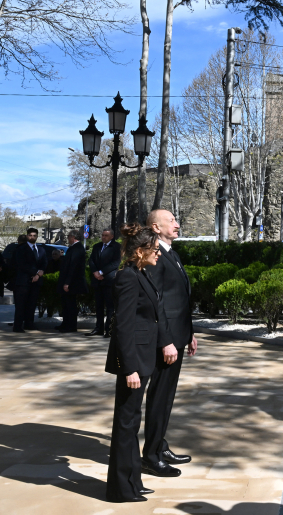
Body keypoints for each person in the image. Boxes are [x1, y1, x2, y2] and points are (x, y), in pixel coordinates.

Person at [105, 222, 161, 503]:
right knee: (126, 424)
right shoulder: (127, 277)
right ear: (140, 251)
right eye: (155, 249)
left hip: (143, 358)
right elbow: (124, 327)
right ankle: (120, 489)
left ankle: (132, 481)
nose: (158, 253)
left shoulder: (140, 273)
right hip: (133, 362)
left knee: (132, 422)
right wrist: (129, 369)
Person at [142, 209, 195, 477]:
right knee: (160, 396)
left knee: (167, 397)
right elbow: (157, 302)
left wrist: (190, 333)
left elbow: (180, 298)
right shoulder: (155, 255)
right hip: (166, 341)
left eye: (176, 219)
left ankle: (160, 446)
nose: (177, 224)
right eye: (171, 221)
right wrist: (166, 341)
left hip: (178, 335)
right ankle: (151, 457)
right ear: (155, 227)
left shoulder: (171, 252)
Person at [12, 228, 47, 333]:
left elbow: (45, 263)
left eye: (34, 235)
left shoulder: (41, 249)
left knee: (32, 304)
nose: (32, 237)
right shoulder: (21, 249)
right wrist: (36, 273)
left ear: (37, 236)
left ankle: (29, 324)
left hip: (36, 282)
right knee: (21, 305)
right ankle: (17, 326)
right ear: (27, 236)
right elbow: (22, 264)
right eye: (30, 235)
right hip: (23, 281)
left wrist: (40, 273)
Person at [88, 228, 122, 337]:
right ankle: (98, 328)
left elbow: (115, 263)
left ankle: (109, 329)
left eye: (106, 235)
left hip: (108, 280)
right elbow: (91, 260)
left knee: (109, 306)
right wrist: (95, 272)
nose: (103, 237)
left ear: (112, 236)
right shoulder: (97, 246)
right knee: (98, 306)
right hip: (97, 280)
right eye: (102, 235)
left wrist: (101, 272)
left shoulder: (116, 247)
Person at [57, 229, 88, 333]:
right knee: (65, 304)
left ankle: (71, 326)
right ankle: (65, 324)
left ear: (73, 237)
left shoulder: (77, 248)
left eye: (69, 236)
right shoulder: (73, 248)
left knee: (70, 305)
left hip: (72, 283)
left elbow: (73, 266)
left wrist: (67, 283)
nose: (67, 238)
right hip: (68, 281)